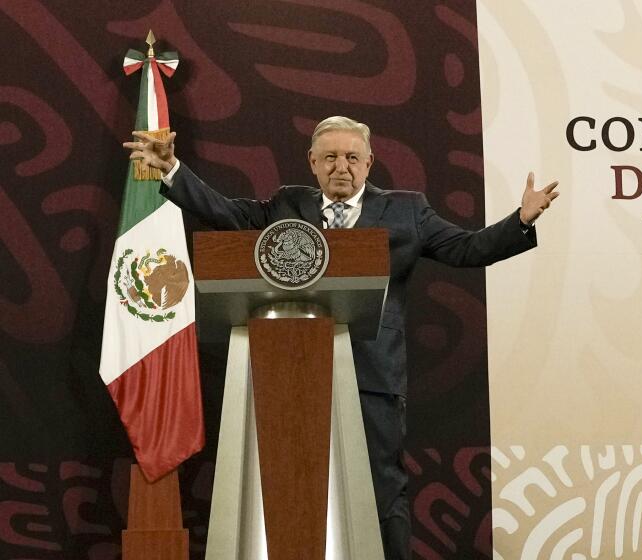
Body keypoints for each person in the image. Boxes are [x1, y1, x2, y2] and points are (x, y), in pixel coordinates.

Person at [124, 115, 558, 559]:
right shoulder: (286, 206)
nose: (341, 167)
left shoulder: (408, 211)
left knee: (382, 490)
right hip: (292, 371)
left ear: (370, 163)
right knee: (294, 484)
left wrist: (520, 220)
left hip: (373, 374)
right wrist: (174, 170)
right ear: (312, 163)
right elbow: (229, 214)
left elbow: (469, 249)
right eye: (330, 158)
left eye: (352, 157)